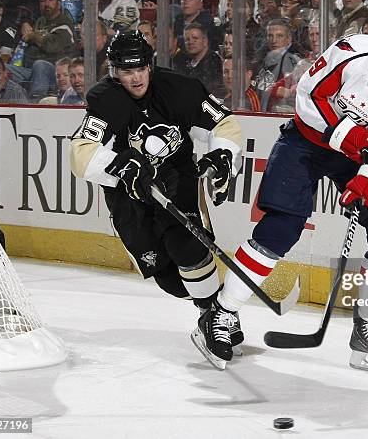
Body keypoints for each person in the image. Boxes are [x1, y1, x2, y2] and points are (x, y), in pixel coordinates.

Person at [196, 12, 368, 371]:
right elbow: (308, 97)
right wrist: (348, 133)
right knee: (281, 228)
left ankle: (367, 328)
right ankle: (221, 313)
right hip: (307, 143)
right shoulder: (352, 52)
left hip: (360, 157)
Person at [69, 31, 245, 368]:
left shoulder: (180, 88)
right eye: (126, 71)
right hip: (130, 198)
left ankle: (214, 316)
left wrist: (222, 154)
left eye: (140, 69)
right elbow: (81, 153)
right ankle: (214, 306)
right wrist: (121, 167)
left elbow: (223, 123)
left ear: (150, 65)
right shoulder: (105, 100)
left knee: (189, 247)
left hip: (177, 181)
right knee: (171, 282)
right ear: (114, 71)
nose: (135, 78)